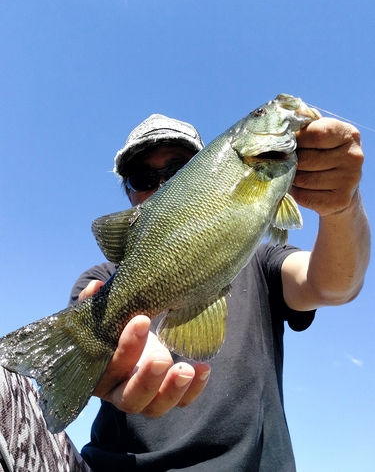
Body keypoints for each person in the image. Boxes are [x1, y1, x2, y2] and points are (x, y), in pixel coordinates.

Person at [0, 111, 369, 472]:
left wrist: (342, 208)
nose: (161, 185)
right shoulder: (100, 280)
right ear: (129, 193)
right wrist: (110, 363)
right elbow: (86, 362)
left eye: (178, 171)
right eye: (143, 177)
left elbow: (332, 285)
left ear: (206, 172)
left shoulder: (259, 261)